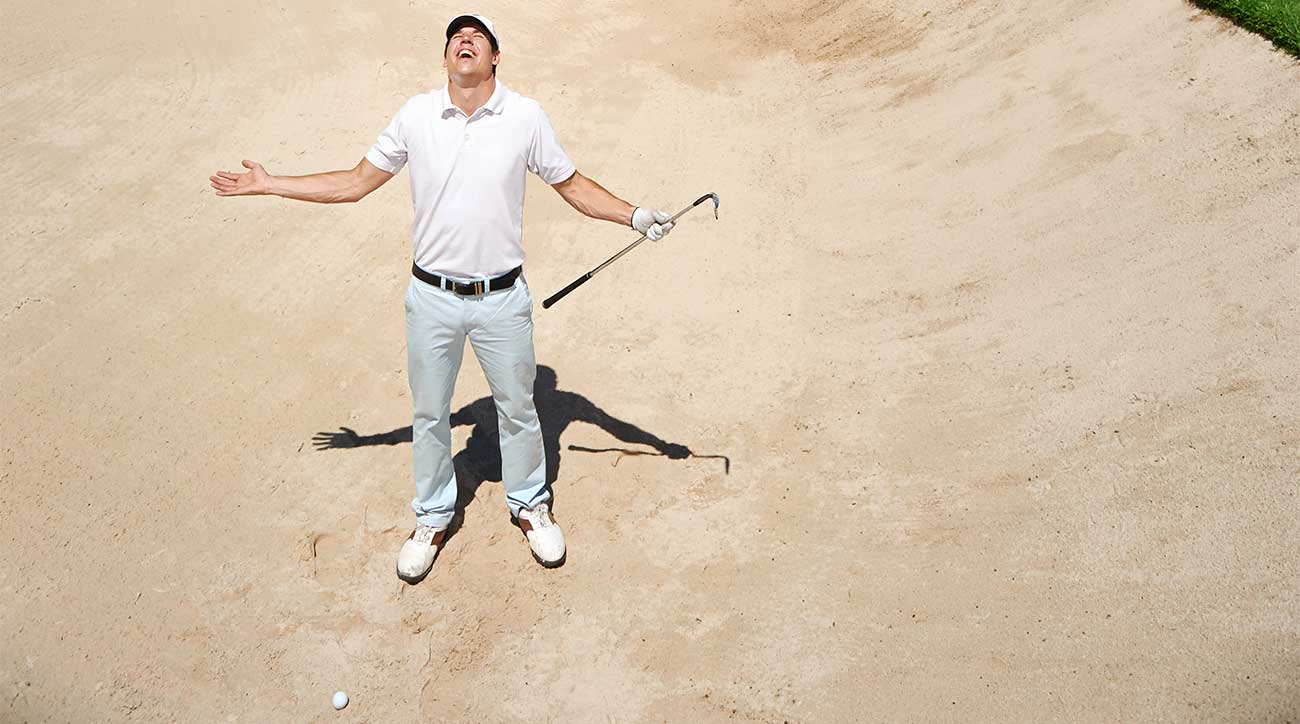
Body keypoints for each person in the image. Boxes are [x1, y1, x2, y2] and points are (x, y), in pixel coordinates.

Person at [209, 13, 675, 583]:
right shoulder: (416, 115)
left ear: (496, 56)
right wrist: (271, 182)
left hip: (503, 298)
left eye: (477, 35)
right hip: (431, 297)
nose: (465, 39)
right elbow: (354, 183)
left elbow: (572, 185)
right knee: (430, 414)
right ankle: (431, 516)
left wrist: (634, 216)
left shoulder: (524, 117)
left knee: (520, 409)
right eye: (456, 36)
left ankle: (530, 505)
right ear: (446, 58)